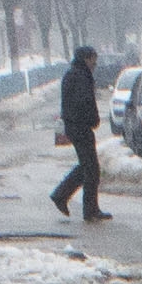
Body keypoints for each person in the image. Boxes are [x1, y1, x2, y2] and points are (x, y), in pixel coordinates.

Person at [51, 44, 105, 222]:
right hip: (80, 126)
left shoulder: (75, 73)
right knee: (91, 169)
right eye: (93, 59)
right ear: (86, 58)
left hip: (77, 126)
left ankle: (66, 197)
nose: (95, 63)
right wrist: (92, 119)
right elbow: (84, 102)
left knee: (87, 167)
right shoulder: (79, 75)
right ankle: (86, 208)